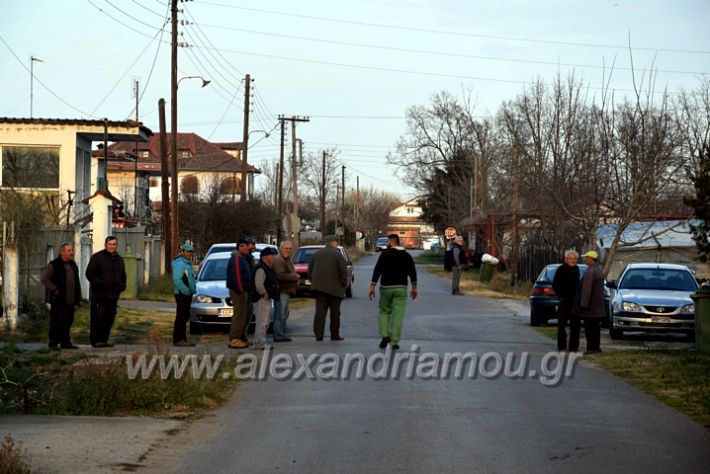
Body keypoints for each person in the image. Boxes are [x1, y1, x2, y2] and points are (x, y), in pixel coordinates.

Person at [368, 234, 417, 350]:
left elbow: (377, 270)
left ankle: (385, 335)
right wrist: (414, 287)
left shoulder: (384, 255)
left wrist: (372, 286)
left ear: (390, 242)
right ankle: (394, 341)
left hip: (386, 287)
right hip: (401, 288)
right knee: (398, 314)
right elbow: (412, 272)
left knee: (384, 311)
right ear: (398, 242)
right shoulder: (406, 255)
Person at [85, 236, 126, 348]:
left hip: (113, 295)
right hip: (99, 295)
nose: (112, 246)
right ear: (105, 245)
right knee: (98, 317)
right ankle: (96, 340)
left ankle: (103, 340)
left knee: (109, 318)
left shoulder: (119, 259)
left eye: (114, 244)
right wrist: (100, 284)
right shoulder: (97, 258)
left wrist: (122, 286)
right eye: (110, 244)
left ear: (116, 245)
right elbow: (90, 274)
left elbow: (123, 275)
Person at [40, 242, 82, 351]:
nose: (71, 253)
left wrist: (78, 298)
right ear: (62, 252)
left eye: (71, 250)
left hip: (70, 300)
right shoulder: (54, 265)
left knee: (68, 321)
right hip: (58, 300)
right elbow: (44, 279)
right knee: (57, 321)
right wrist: (55, 289)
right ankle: (53, 343)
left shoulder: (73, 264)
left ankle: (65, 342)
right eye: (69, 251)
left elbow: (76, 281)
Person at [309, 235, 348, 341]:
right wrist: (344, 284)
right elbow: (343, 271)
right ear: (333, 243)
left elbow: (310, 270)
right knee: (335, 314)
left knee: (320, 313)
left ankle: (319, 335)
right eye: (336, 242)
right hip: (335, 290)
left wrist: (314, 282)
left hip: (319, 289)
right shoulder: (338, 255)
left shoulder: (316, 255)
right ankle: (334, 334)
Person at [576, 250, 606, 354]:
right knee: (596, 328)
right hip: (597, 306)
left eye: (586, 258)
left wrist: (583, 304)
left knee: (590, 328)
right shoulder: (598, 270)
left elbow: (586, 289)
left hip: (590, 307)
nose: (584, 259)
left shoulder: (590, 271)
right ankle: (596, 347)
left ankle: (591, 348)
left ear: (591, 259)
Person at [552, 250, 581, 351]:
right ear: (566, 259)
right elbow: (555, 285)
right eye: (571, 259)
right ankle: (562, 346)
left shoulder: (577, 269)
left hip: (575, 302)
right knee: (561, 325)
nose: (573, 261)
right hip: (564, 301)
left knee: (575, 325)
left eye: (575, 259)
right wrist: (561, 296)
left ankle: (573, 347)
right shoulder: (561, 269)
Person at [251, 247, 280, 350]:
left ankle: (259, 342)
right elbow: (258, 283)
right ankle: (260, 343)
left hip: (265, 298)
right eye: (271, 255)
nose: (273, 257)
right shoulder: (261, 268)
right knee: (262, 322)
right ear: (265, 257)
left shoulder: (266, 267)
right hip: (261, 299)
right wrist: (264, 293)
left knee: (264, 322)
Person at [226, 238, 252, 349]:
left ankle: (240, 337)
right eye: (247, 246)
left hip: (243, 290)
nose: (248, 248)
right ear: (241, 246)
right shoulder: (236, 258)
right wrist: (241, 289)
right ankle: (234, 339)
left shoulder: (243, 258)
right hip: (238, 291)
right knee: (239, 315)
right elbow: (237, 276)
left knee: (243, 314)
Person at [272, 240, 298, 342]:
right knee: (280, 313)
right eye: (286, 248)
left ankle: (281, 333)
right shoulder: (279, 260)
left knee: (284, 313)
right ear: (281, 248)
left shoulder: (287, 259)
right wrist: (295, 276)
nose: (288, 250)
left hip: (286, 291)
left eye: (290, 249)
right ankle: (278, 335)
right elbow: (281, 275)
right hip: (281, 290)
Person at [171, 243, 196, 347]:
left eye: (191, 251)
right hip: (182, 294)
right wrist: (186, 291)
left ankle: (182, 338)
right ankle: (178, 339)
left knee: (184, 317)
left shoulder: (187, 263)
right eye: (187, 251)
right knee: (181, 317)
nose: (189, 253)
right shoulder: (180, 263)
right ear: (182, 252)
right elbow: (177, 279)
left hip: (186, 294)